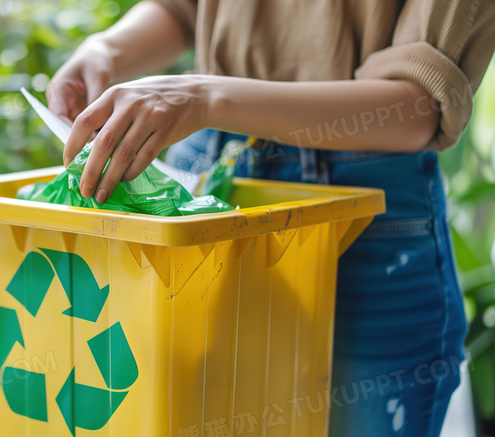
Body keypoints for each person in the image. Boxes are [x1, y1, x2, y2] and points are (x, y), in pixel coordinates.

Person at [46, 1, 495, 435]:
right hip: (205, 164)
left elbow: (419, 104)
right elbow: (185, 9)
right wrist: (106, 49)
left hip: (361, 203)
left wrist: (205, 95)